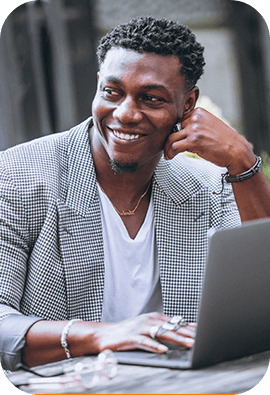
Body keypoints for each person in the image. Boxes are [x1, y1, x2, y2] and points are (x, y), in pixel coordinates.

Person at [0, 16, 270, 372]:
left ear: (188, 105)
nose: (125, 114)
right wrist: (100, 335)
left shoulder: (207, 186)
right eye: (112, 92)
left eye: (151, 98)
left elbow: (260, 300)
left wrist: (244, 163)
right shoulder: (18, 176)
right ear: (98, 85)